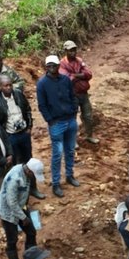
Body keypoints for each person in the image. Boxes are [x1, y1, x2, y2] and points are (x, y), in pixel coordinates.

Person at [35, 54, 79, 197]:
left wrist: (74, 111)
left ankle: (69, 175)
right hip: (56, 123)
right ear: (46, 67)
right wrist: (50, 120)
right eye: (49, 65)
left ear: (59, 66)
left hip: (70, 120)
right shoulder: (42, 84)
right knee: (57, 154)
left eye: (54, 65)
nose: (52, 68)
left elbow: (72, 96)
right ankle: (56, 183)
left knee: (70, 150)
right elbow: (42, 105)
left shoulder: (65, 80)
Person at [0, 157, 45, 259]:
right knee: (12, 240)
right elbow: (11, 203)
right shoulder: (15, 178)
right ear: (29, 171)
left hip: (20, 208)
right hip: (7, 213)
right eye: (34, 175)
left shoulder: (25, 173)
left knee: (31, 232)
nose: (34, 178)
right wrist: (23, 217)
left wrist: (24, 211)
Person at [0, 76, 34, 170]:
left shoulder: (18, 94)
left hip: (24, 132)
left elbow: (27, 109)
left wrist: (29, 127)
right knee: (14, 160)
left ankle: (30, 177)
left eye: (10, 85)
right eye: (6, 86)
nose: (9, 87)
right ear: (0, 87)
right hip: (10, 135)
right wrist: (4, 135)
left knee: (28, 157)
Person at [58, 40, 96, 143]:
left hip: (84, 93)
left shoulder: (79, 61)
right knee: (72, 118)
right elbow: (67, 79)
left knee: (88, 116)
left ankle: (89, 136)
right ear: (66, 51)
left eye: (74, 50)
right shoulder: (62, 64)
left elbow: (89, 74)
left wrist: (75, 75)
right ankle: (72, 141)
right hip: (72, 95)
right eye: (70, 50)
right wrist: (80, 75)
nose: (73, 52)